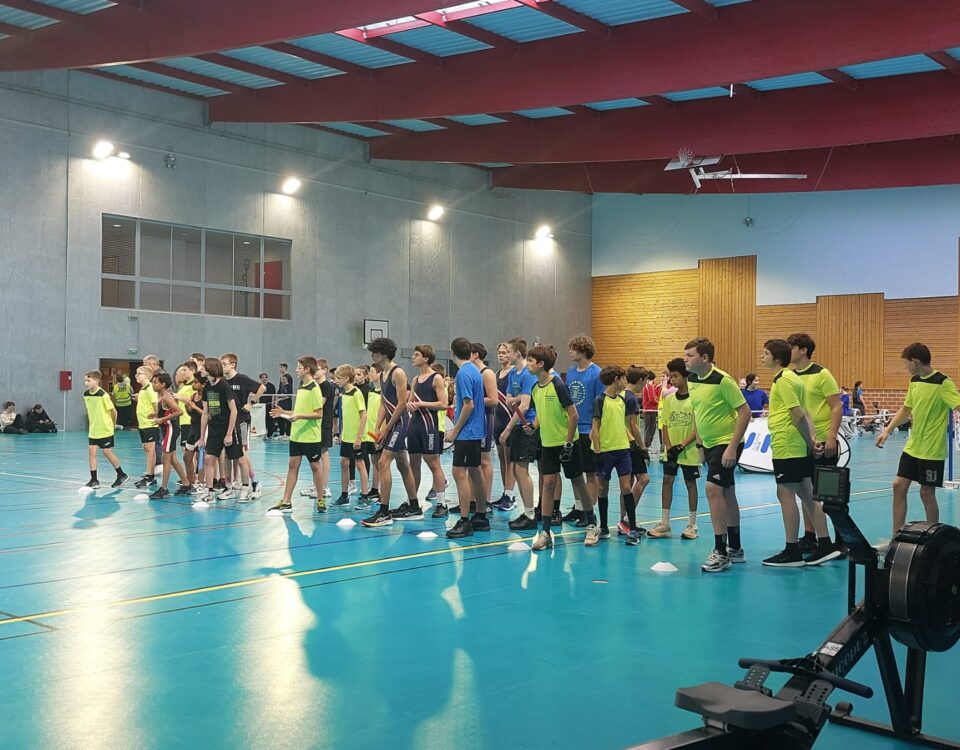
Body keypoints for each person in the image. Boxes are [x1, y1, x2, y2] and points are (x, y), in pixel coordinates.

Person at [760, 340, 838, 567]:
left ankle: (791, 550)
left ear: (776, 358)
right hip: (798, 446)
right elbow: (807, 413)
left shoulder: (783, 380)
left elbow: (798, 415)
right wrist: (811, 440)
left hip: (787, 445)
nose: (762, 357)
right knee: (808, 493)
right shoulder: (794, 378)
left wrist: (810, 441)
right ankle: (825, 544)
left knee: (785, 494)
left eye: (765, 353)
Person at [876, 342, 960, 537]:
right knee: (898, 485)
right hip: (913, 446)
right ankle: (896, 536)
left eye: (906, 363)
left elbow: (957, 406)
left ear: (915, 361)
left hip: (932, 449)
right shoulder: (914, 381)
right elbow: (906, 409)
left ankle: (933, 539)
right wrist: (887, 430)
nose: (905, 367)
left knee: (926, 493)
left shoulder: (943, 382)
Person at [683, 337, 751, 573]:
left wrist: (732, 447)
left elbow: (745, 412)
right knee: (727, 492)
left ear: (704, 358)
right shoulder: (692, 380)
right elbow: (698, 413)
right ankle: (736, 548)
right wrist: (700, 446)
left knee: (712, 489)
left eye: (690, 355)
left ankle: (720, 552)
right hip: (710, 444)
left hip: (727, 442)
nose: (685, 359)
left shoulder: (723, 380)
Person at [526, 344, 599, 550]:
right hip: (548, 444)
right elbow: (541, 413)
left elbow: (573, 414)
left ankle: (592, 524)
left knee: (578, 482)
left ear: (541, 364)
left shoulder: (558, 385)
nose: (527, 364)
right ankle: (545, 532)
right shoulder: (535, 388)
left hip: (567, 444)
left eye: (530, 360)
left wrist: (568, 442)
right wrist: (533, 426)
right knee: (548, 484)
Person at [788, 332, 845, 554]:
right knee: (806, 491)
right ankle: (811, 535)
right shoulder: (790, 376)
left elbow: (836, 406)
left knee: (829, 494)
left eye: (791, 347)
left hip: (823, 441)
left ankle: (842, 539)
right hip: (803, 442)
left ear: (803, 350)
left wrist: (832, 436)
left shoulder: (822, 374)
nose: (788, 351)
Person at [361, 338, 421, 527]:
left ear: (384, 354)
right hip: (391, 424)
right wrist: (378, 427)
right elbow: (383, 404)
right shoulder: (383, 374)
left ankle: (384, 512)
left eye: (375, 352)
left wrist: (387, 429)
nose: (372, 356)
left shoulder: (398, 373)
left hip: (401, 423)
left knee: (383, 462)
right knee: (403, 463)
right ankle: (414, 507)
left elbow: (402, 404)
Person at [446, 337, 492, 538]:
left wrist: (455, 430)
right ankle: (481, 516)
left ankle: (465, 520)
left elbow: (468, 404)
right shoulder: (474, 369)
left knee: (459, 472)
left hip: (467, 431)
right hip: (476, 430)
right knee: (475, 471)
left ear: (452, 353)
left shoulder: (463, 373)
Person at [648, 358, 700, 540]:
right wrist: (669, 447)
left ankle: (692, 525)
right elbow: (665, 424)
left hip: (689, 450)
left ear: (686, 376)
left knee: (690, 483)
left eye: (676, 376)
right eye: (671, 376)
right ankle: (665, 524)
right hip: (671, 451)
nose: (672, 380)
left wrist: (682, 445)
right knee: (667, 481)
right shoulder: (669, 399)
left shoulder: (695, 399)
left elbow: (698, 428)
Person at [267, 356, 326, 515]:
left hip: (310, 436)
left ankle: (320, 498)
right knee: (292, 466)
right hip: (296, 436)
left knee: (315, 466)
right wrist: (284, 412)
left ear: (307, 369)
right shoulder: (301, 387)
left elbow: (318, 413)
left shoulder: (314, 388)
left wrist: (299, 416)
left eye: (299, 367)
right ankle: (286, 501)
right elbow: (299, 411)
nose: (296, 370)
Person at [590, 365, 642, 545]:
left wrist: (634, 444)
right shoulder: (599, 400)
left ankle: (632, 529)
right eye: (622, 379)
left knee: (626, 487)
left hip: (622, 450)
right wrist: (597, 452)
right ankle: (604, 527)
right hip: (605, 451)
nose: (625, 382)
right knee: (602, 489)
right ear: (616, 380)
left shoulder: (621, 400)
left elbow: (623, 425)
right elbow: (595, 429)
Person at [563, 335, 604, 525]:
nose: (570, 352)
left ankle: (590, 512)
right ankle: (579, 508)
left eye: (573, 348)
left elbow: (600, 403)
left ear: (583, 351)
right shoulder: (571, 372)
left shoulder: (596, 373)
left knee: (590, 473)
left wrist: (595, 429)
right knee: (575, 473)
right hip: (574, 429)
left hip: (588, 429)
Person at [195, 357, 244, 510]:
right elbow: (205, 413)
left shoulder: (224, 386)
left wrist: (229, 433)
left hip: (229, 427)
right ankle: (209, 491)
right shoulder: (207, 388)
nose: (201, 369)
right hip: (214, 428)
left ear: (210, 368)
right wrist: (202, 437)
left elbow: (234, 411)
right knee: (208, 458)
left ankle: (245, 487)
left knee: (237, 458)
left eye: (203, 367)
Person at [405, 345, 449, 515]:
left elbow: (443, 404)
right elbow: (411, 401)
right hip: (415, 425)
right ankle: (412, 501)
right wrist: (409, 405)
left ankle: (441, 503)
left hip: (429, 425)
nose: (412, 357)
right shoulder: (416, 379)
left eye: (416, 355)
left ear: (426, 358)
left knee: (433, 463)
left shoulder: (436, 378)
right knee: (413, 463)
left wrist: (421, 404)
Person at [502, 338, 539, 531]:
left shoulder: (528, 374)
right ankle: (527, 512)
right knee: (517, 469)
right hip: (517, 423)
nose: (506, 354)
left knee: (522, 470)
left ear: (517, 353)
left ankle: (530, 514)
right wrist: (517, 399)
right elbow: (508, 400)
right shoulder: (512, 374)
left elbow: (524, 406)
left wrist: (507, 429)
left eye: (508, 351)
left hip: (528, 425)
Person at [220, 354, 263, 501]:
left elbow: (261, 387)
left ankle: (254, 482)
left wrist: (251, 403)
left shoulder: (242, 379)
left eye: (225, 364)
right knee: (227, 454)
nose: (222, 367)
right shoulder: (223, 381)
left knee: (242, 454)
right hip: (228, 423)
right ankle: (229, 486)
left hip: (242, 421)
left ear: (233, 365)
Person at [81, 371, 127, 488]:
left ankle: (121, 475)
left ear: (97, 381)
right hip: (93, 429)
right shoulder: (86, 394)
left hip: (105, 429)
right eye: (85, 380)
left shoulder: (103, 395)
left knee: (107, 452)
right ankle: (94, 480)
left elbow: (113, 412)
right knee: (91, 452)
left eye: (88, 380)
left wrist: (113, 425)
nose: (86, 383)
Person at [148, 371, 190, 500]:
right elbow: (168, 412)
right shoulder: (163, 397)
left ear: (163, 384)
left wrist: (162, 420)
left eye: (155, 382)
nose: (153, 384)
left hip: (170, 429)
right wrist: (156, 415)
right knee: (173, 459)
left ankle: (164, 489)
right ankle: (186, 484)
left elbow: (179, 411)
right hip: (168, 429)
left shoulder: (166, 397)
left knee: (166, 460)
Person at [332, 365, 369, 506]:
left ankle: (365, 495)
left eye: (338, 378)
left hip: (357, 437)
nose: (336, 380)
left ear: (346, 378)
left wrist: (359, 437)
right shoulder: (344, 394)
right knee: (344, 463)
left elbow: (363, 415)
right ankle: (344, 495)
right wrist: (342, 433)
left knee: (360, 464)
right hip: (346, 437)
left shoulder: (356, 393)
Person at [470, 342, 499, 515]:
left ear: (475, 355)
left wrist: (470, 402)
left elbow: (493, 399)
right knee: (471, 461)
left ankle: (486, 500)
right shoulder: (471, 372)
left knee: (484, 459)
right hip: (472, 420)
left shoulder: (486, 373)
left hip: (484, 419)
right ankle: (472, 500)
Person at [625, 366, 652, 533]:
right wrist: (643, 448)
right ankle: (628, 518)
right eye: (646, 381)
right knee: (643, 479)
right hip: (631, 444)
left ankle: (623, 520)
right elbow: (634, 426)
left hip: (621, 443)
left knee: (626, 484)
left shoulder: (620, 394)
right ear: (641, 380)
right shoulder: (631, 399)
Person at [493, 342, 517, 511]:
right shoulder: (496, 374)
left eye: (505, 352)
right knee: (502, 458)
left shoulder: (514, 373)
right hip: (498, 421)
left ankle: (510, 494)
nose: (501, 355)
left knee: (510, 459)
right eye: (499, 353)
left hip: (509, 420)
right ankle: (505, 492)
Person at [357, 366, 382, 509]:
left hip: (381, 432)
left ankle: (383, 493)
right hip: (370, 432)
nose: (370, 374)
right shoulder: (372, 391)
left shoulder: (385, 392)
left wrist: (382, 430)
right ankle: (375, 489)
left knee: (383, 463)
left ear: (380, 374)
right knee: (375, 461)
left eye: (372, 372)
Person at [133, 366, 159, 488]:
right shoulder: (143, 389)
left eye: (140, 373)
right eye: (136, 373)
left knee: (150, 449)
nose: (137, 376)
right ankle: (149, 474)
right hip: (142, 424)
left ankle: (150, 476)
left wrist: (155, 418)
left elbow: (155, 405)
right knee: (146, 448)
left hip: (150, 424)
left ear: (147, 376)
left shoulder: (150, 388)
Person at [642, 368, 662, 454]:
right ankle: (647, 446)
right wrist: (659, 403)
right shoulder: (649, 386)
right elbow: (652, 399)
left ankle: (648, 445)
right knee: (650, 429)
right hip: (650, 410)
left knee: (650, 428)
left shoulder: (647, 386)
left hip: (650, 410)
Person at [276, 362, 293, 439]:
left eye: (281, 367)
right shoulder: (281, 381)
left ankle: (288, 434)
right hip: (281, 402)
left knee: (286, 417)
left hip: (287, 402)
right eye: (279, 367)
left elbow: (289, 393)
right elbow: (279, 391)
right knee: (280, 417)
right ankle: (281, 433)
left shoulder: (289, 377)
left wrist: (282, 396)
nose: (279, 369)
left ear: (285, 368)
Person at [259, 373, 277, 437]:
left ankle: (270, 434)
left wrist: (273, 404)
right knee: (263, 420)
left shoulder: (271, 386)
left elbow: (274, 395)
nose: (264, 378)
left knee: (270, 420)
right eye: (263, 377)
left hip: (269, 405)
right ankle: (264, 433)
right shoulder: (260, 386)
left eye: (265, 377)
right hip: (262, 406)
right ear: (260, 379)